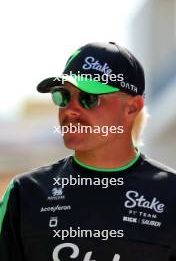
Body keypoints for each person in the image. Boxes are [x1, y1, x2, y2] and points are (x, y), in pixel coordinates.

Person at [0, 42, 176, 261]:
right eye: (63, 96)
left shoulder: (171, 193)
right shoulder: (25, 193)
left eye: (89, 98)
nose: (71, 110)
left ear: (132, 107)